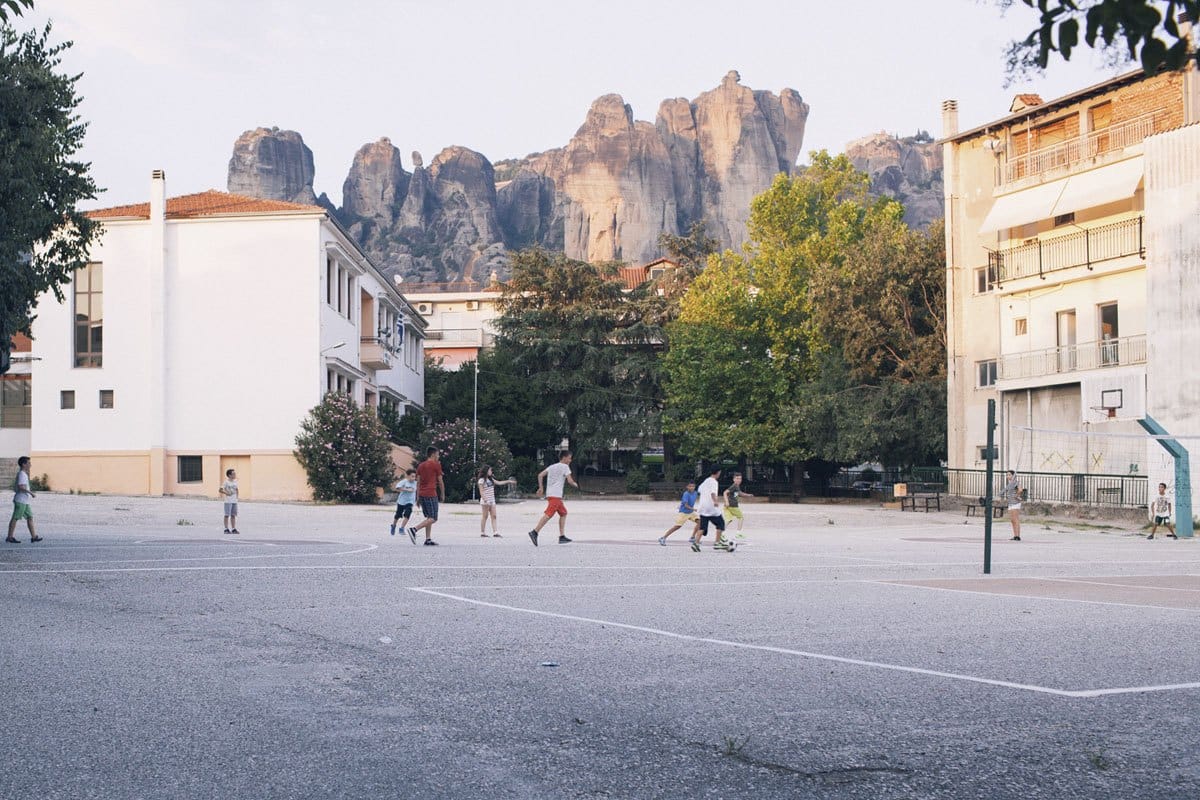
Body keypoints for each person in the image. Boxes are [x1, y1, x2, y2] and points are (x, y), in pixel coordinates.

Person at [528, 452, 578, 546]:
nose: (570, 460)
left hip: (551, 494)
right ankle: (534, 532)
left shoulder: (552, 466)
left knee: (563, 513)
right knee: (548, 514)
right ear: (564, 458)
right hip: (556, 495)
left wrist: (541, 488)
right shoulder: (565, 467)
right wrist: (575, 484)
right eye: (569, 458)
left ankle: (562, 536)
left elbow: (540, 475)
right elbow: (570, 481)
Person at [691, 467, 733, 553]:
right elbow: (713, 493)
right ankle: (717, 543)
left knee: (702, 526)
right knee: (721, 523)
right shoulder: (714, 482)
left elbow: (699, 490)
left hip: (703, 506)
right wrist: (715, 501)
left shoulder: (706, 480)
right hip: (711, 507)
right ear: (718, 472)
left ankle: (696, 543)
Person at [409, 447, 444, 546]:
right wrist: (442, 494)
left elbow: (418, 483)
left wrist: (418, 497)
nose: (438, 456)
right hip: (431, 494)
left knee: (429, 517)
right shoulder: (436, 465)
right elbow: (440, 481)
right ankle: (414, 530)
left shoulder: (421, 465)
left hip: (422, 494)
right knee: (433, 518)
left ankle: (428, 539)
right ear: (433, 455)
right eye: (437, 454)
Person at [7, 456, 41, 544]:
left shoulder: (23, 473)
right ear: (23, 464)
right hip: (20, 500)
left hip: (24, 501)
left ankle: (34, 537)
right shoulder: (22, 474)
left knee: (30, 517)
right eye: (29, 463)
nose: (30, 465)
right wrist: (31, 493)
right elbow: (21, 487)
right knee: (15, 518)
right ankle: (10, 537)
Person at [478, 465, 517, 537]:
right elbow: (481, 491)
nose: (491, 472)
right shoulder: (481, 480)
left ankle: (495, 532)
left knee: (494, 516)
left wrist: (508, 481)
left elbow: (499, 482)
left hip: (492, 500)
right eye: (490, 470)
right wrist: (485, 499)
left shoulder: (491, 479)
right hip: (485, 501)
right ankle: (482, 532)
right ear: (486, 471)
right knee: (485, 516)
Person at [659, 481, 699, 545]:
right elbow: (686, 505)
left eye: (693, 486)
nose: (692, 487)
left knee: (700, 522)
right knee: (677, 526)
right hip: (684, 513)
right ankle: (663, 538)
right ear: (687, 487)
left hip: (691, 513)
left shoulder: (695, 493)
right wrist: (693, 509)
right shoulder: (686, 494)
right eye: (690, 486)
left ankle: (692, 537)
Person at [722, 472, 754, 537]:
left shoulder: (736, 486)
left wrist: (748, 495)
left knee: (729, 520)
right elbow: (725, 492)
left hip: (728, 506)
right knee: (741, 517)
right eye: (737, 478)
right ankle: (738, 533)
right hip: (732, 505)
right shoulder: (734, 486)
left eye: (740, 479)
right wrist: (726, 502)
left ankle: (721, 533)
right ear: (734, 479)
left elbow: (739, 494)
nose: (739, 480)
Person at [390, 468, 417, 538]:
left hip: (410, 502)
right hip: (401, 501)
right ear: (408, 476)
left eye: (414, 476)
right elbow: (397, 488)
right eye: (412, 476)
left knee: (408, 513)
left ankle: (401, 528)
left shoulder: (415, 483)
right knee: (398, 515)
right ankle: (393, 525)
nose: (414, 478)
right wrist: (407, 489)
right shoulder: (404, 482)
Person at [219, 468, 239, 534]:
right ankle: (226, 528)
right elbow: (220, 490)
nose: (235, 475)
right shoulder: (226, 482)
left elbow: (236, 489)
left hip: (234, 501)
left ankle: (233, 528)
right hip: (228, 501)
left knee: (233, 515)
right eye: (233, 474)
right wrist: (227, 493)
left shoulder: (235, 481)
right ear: (229, 475)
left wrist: (237, 497)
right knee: (227, 515)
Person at [1003, 470, 1022, 541]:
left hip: (1015, 503)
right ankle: (1015, 535)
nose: (1008, 476)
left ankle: (1017, 536)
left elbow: (1020, 489)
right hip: (1010, 503)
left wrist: (1017, 496)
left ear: (1013, 476)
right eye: (1007, 475)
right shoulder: (1010, 483)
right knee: (1012, 520)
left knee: (1015, 519)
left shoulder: (1015, 482)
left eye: (1009, 475)